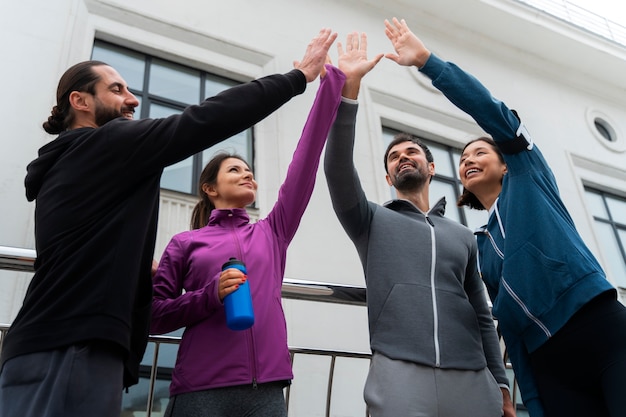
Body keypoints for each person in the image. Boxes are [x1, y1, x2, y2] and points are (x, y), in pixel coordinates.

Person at [0, 28, 338, 417]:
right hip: (73, 346)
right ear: (80, 101)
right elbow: (203, 120)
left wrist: (133, 269)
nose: (132, 99)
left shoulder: (66, 164)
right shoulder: (105, 144)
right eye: (116, 89)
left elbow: (83, 243)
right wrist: (297, 78)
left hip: (47, 341)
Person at [384, 17, 626, 417]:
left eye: (480, 152)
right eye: (462, 160)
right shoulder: (482, 247)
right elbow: (509, 329)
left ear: (505, 163)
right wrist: (528, 399)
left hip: (599, 328)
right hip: (549, 364)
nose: (468, 160)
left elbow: (488, 109)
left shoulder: (529, 173)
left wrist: (428, 62)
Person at [148, 33, 380, 417]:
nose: (247, 175)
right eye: (235, 170)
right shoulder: (185, 243)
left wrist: (333, 84)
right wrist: (210, 295)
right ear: (209, 187)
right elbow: (155, 314)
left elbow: (305, 162)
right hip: (200, 390)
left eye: (249, 171)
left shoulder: (272, 231)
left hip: (267, 391)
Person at [324, 32, 514, 417]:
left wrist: (500, 382)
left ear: (431, 168)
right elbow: (337, 169)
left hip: (472, 375)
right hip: (398, 368)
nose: (402, 157)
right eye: (393, 157)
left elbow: (481, 310)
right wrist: (349, 92)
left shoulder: (463, 236)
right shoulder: (370, 219)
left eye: (411, 152)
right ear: (390, 177)